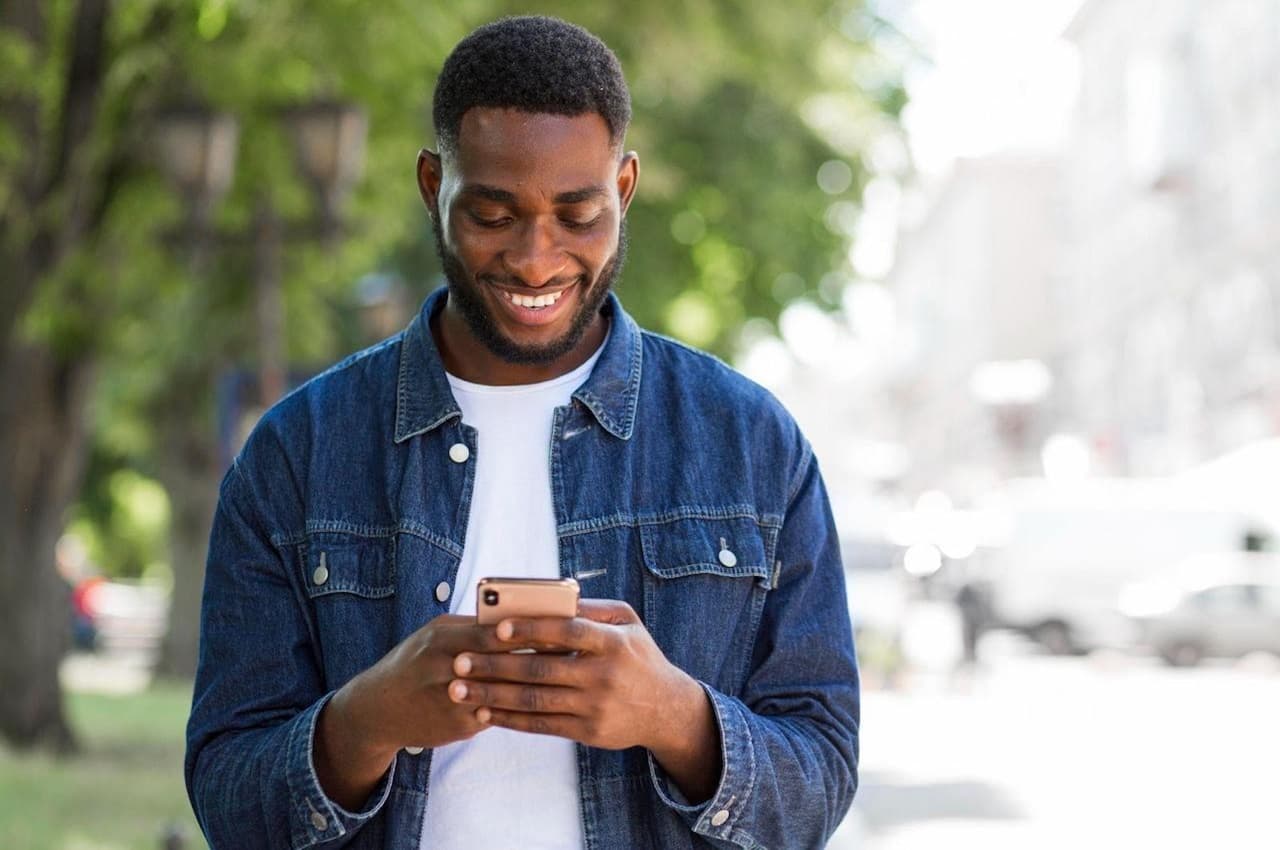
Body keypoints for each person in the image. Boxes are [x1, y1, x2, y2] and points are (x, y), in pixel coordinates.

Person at [185, 16, 859, 850]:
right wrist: (364, 722)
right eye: (494, 215)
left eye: (578, 215)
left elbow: (821, 777)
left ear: (627, 187)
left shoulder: (752, 444)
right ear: (434, 186)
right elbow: (225, 794)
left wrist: (676, 719)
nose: (537, 260)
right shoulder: (299, 452)